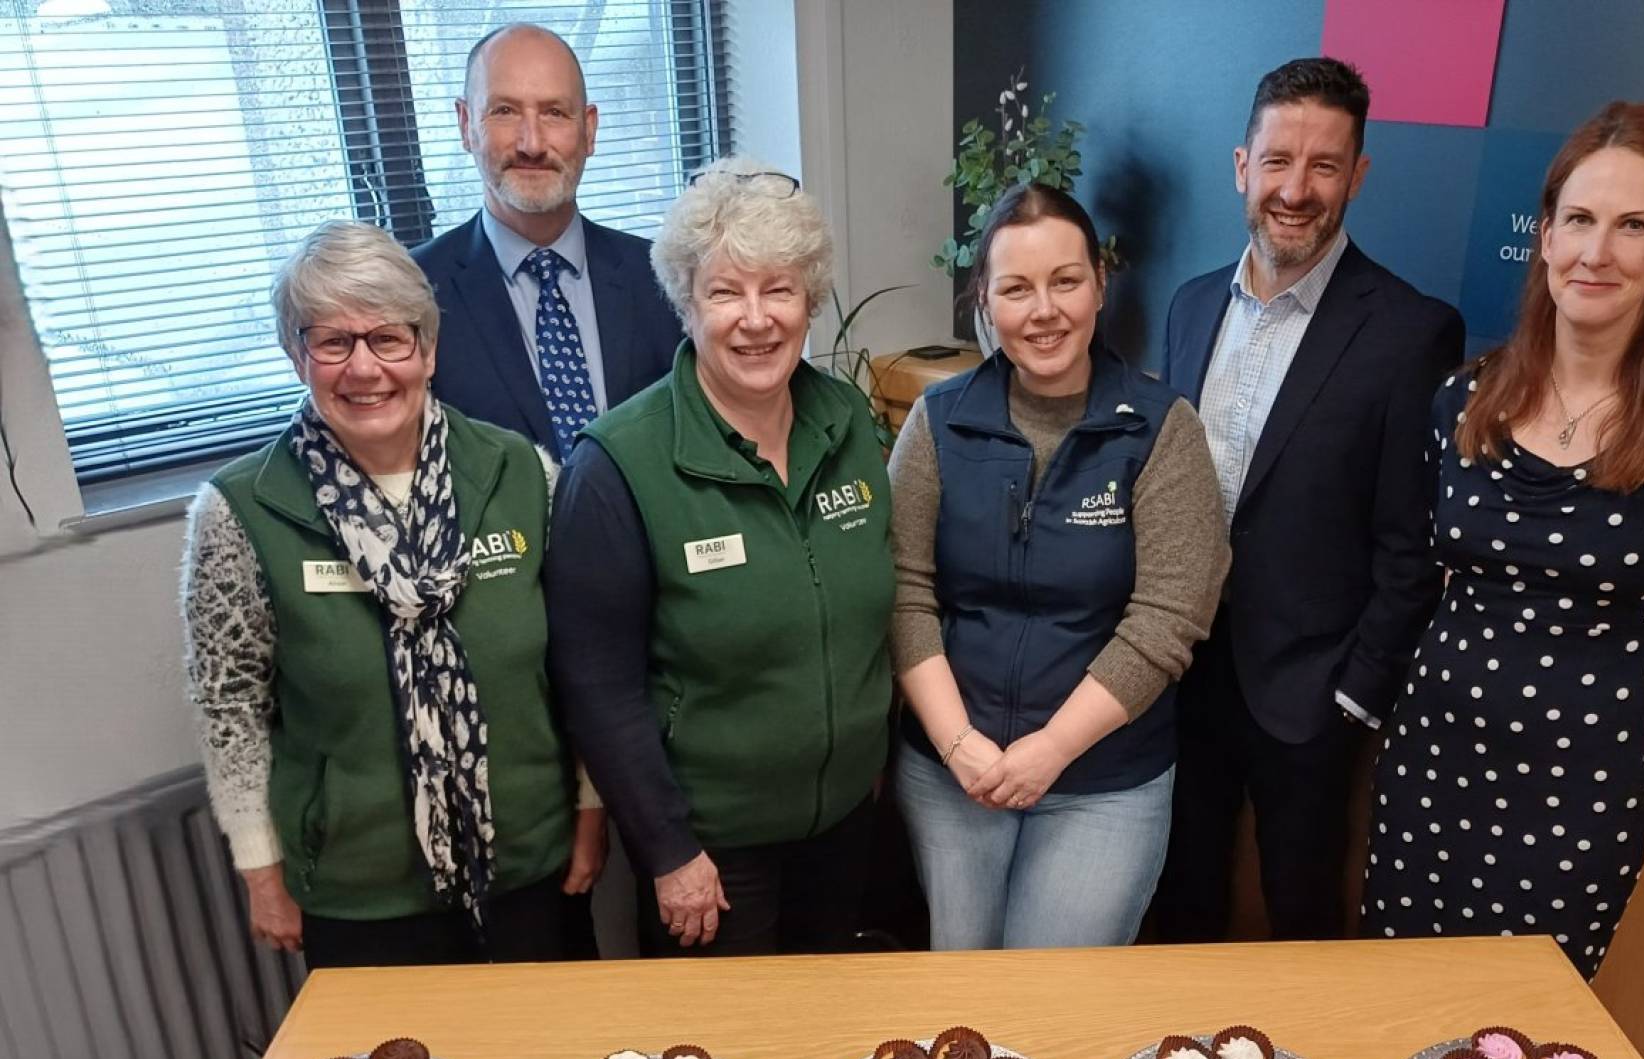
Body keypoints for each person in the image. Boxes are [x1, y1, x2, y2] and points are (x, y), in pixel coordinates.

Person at [1361, 102, 1644, 980]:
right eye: (1580, 220)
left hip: (1580, 797)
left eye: (1634, 226)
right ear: (1546, 234)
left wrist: (1615, 735)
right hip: (1430, 761)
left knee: (1520, 1031)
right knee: (1393, 999)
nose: (1596, 252)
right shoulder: (1465, 399)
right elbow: (1426, 574)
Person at [181, 221, 606, 967]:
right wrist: (260, 870)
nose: (364, 368)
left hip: (529, 865)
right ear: (297, 355)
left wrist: (591, 809)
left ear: (428, 350)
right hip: (360, 891)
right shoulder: (241, 511)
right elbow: (229, 706)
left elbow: (582, 659)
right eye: (332, 342)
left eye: (388, 338)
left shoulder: (520, 473)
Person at [544, 159, 895, 957]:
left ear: (810, 300)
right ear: (687, 303)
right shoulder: (618, 465)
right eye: (726, 291)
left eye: (780, 290)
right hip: (711, 851)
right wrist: (668, 851)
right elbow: (598, 688)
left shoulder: (847, 421)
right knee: (729, 1038)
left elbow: (875, 605)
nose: (756, 319)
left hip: (844, 822)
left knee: (833, 1023)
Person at [1155, 58, 1464, 943]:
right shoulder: (1187, 307)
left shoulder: (1410, 331)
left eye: (1324, 165)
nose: (1296, 190)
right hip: (1177, 672)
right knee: (1178, 905)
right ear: (1241, 166)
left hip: (1308, 698)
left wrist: (1354, 698)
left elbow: (1413, 544)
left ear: (1357, 176)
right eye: (1278, 160)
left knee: (1302, 918)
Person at [889, 183, 1229, 951]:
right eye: (1016, 288)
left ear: (1100, 285)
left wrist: (1050, 750)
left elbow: (1168, 619)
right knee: (961, 986)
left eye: (1065, 281)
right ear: (984, 299)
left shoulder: (1161, 430)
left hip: (1103, 779)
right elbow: (905, 594)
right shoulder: (937, 423)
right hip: (955, 770)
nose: (1043, 311)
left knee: (1051, 997)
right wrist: (959, 745)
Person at [412, 23, 680, 459]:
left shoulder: (663, 277)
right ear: (466, 124)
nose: (532, 143)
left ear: (589, 130)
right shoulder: (414, 293)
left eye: (555, 113)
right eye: (504, 111)